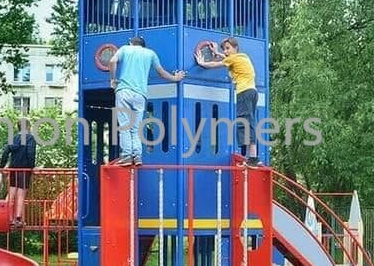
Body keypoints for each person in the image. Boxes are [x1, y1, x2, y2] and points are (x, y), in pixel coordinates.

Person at [109, 35, 186, 166]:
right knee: (136, 127)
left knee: (125, 125)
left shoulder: (125, 49)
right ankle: (137, 156)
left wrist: (113, 79)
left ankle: (127, 156)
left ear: (131, 43)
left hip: (124, 91)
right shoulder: (150, 53)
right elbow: (161, 72)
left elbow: (112, 61)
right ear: (143, 45)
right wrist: (176, 78)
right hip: (140, 94)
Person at [193, 37, 261, 167]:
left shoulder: (233, 59)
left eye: (228, 48)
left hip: (244, 92)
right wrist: (217, 52)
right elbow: (226, 58)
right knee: (249, 122)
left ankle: (253, 158)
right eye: (224, 49)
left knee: (245, 122)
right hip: (252, 92)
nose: (226, 51)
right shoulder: (243, 57)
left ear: (236, 48)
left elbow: (215, 64)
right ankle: (252, 157)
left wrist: (202, 63)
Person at [0, 118, 36, 228]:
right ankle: (18, 219)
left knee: (11, 194)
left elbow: (5, 152)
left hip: (13, 169)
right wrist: (31, 167)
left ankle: (8, 218)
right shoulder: (29, 138)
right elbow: (30, 153)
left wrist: (1, 166)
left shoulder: (14, 138)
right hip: (24, 170)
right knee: (21, 194)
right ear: (28, 127)